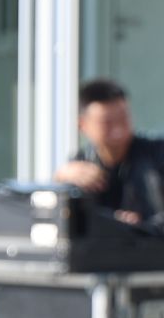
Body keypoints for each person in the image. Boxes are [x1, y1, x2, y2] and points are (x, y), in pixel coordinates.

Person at [53, 78, 164, 228]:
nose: (118, 130)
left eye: (123, 118)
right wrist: (60, 179)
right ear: (82, 125)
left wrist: (141, 226)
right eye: (107, 123)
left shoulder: (157, 154)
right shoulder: (79, 166)